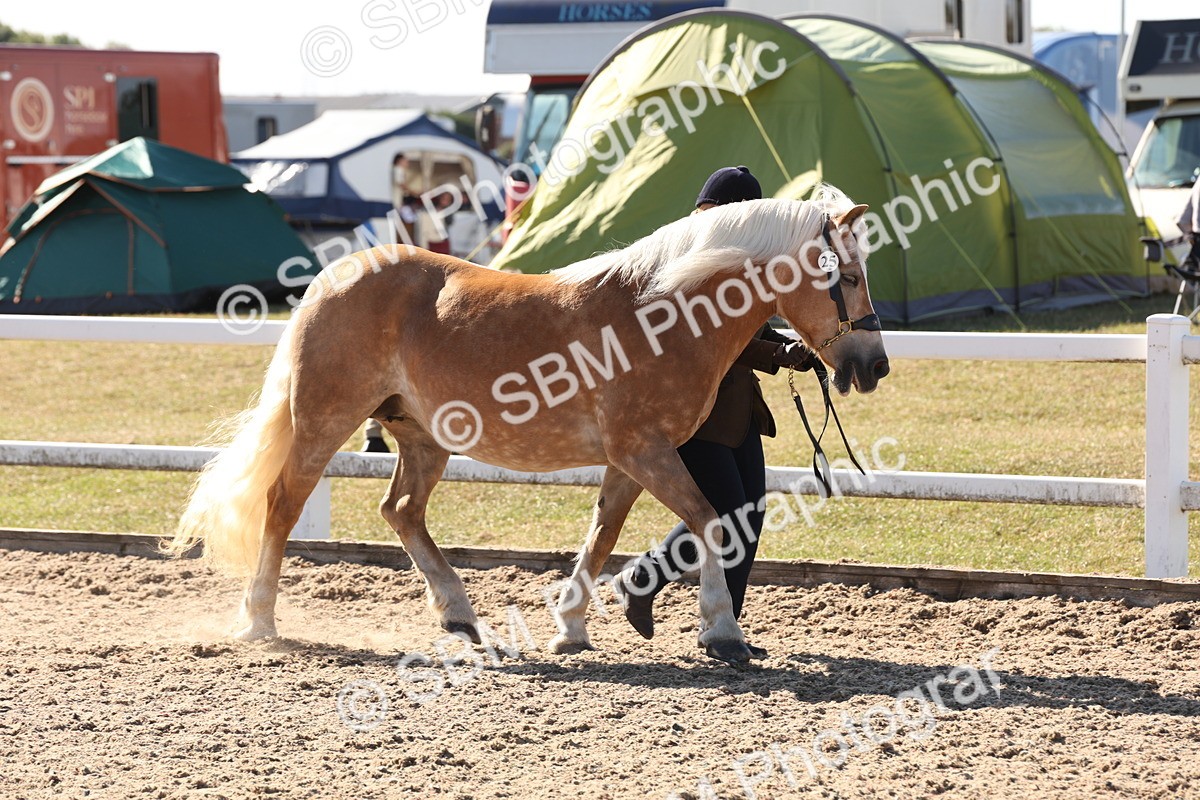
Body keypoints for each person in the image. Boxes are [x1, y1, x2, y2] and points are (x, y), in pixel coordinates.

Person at [613, 166, 815, 660]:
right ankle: (646, 579)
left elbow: (744, 327)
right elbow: (705, 328)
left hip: (738, 408)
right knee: (725, 510)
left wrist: (791, 345)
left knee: (751, 513)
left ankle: (726, 624)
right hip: (690, 409)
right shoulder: (684, 257)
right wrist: (777, 355)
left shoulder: (740, 260)